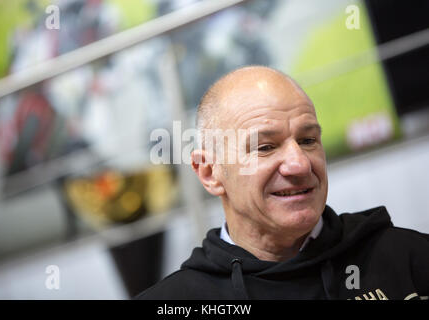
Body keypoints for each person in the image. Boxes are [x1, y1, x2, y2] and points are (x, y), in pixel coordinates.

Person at [136, 66, 429, 300]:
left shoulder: (407, 259)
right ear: (211, 173)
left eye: (308, 140)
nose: (300, 164)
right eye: (265, 147)